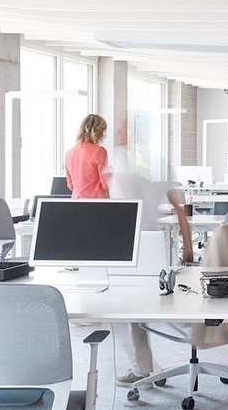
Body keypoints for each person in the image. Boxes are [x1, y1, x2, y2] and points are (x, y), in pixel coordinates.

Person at [107, 116, 197, 385]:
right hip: (145, 242)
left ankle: (144, 367)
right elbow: (178, 206)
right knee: (131, 307)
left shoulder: (128, 159)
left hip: (134, 241)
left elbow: (177, 205)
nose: (121, 130)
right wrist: (187, 244)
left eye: (126, 126)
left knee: (122, 308)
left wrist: (188, 246)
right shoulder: (149, 159)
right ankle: (148, 366)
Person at [64, 113, 109, 199]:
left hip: (76, 201)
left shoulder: (69, 153)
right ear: (99, 132)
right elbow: (105, 184)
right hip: (96, 203)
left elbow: (70, 185)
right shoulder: (100, 151)